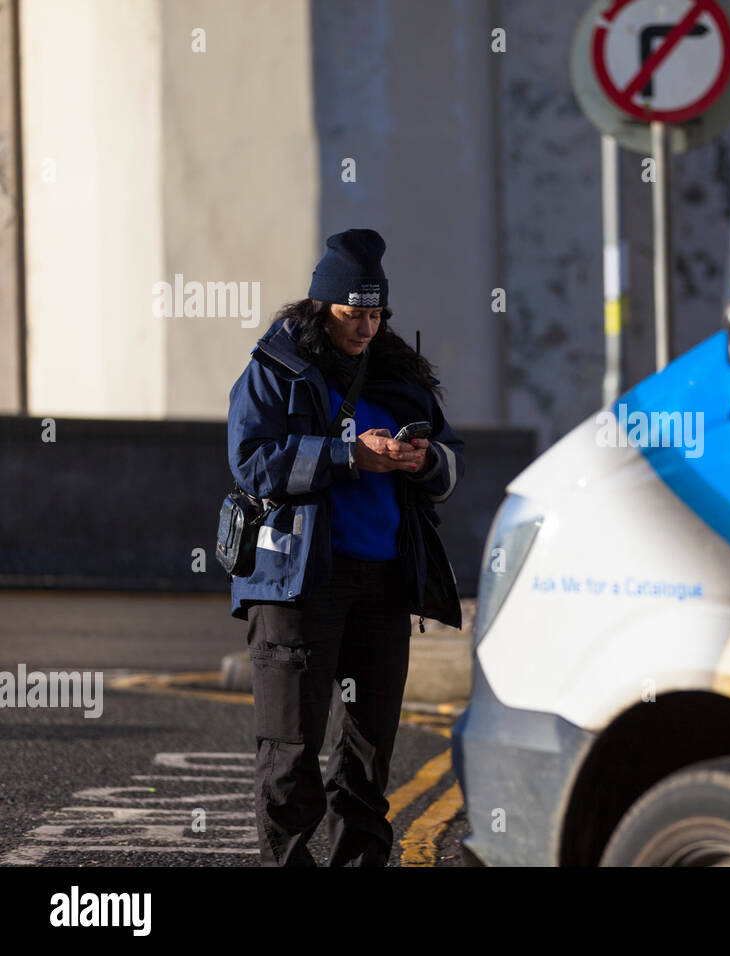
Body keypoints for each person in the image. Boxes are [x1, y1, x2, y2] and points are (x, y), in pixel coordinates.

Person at [226, 228, 464, 866]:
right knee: (290, 747)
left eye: (375, 313)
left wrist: (423, 459)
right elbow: (250, 462)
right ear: (319, 307)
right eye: (351, 313)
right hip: (298, 582)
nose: (364, 327)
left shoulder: (398, 375)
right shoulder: (274, 370)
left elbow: (451, 459)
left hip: (383, 584)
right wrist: (346, 455)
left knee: (367, 749)